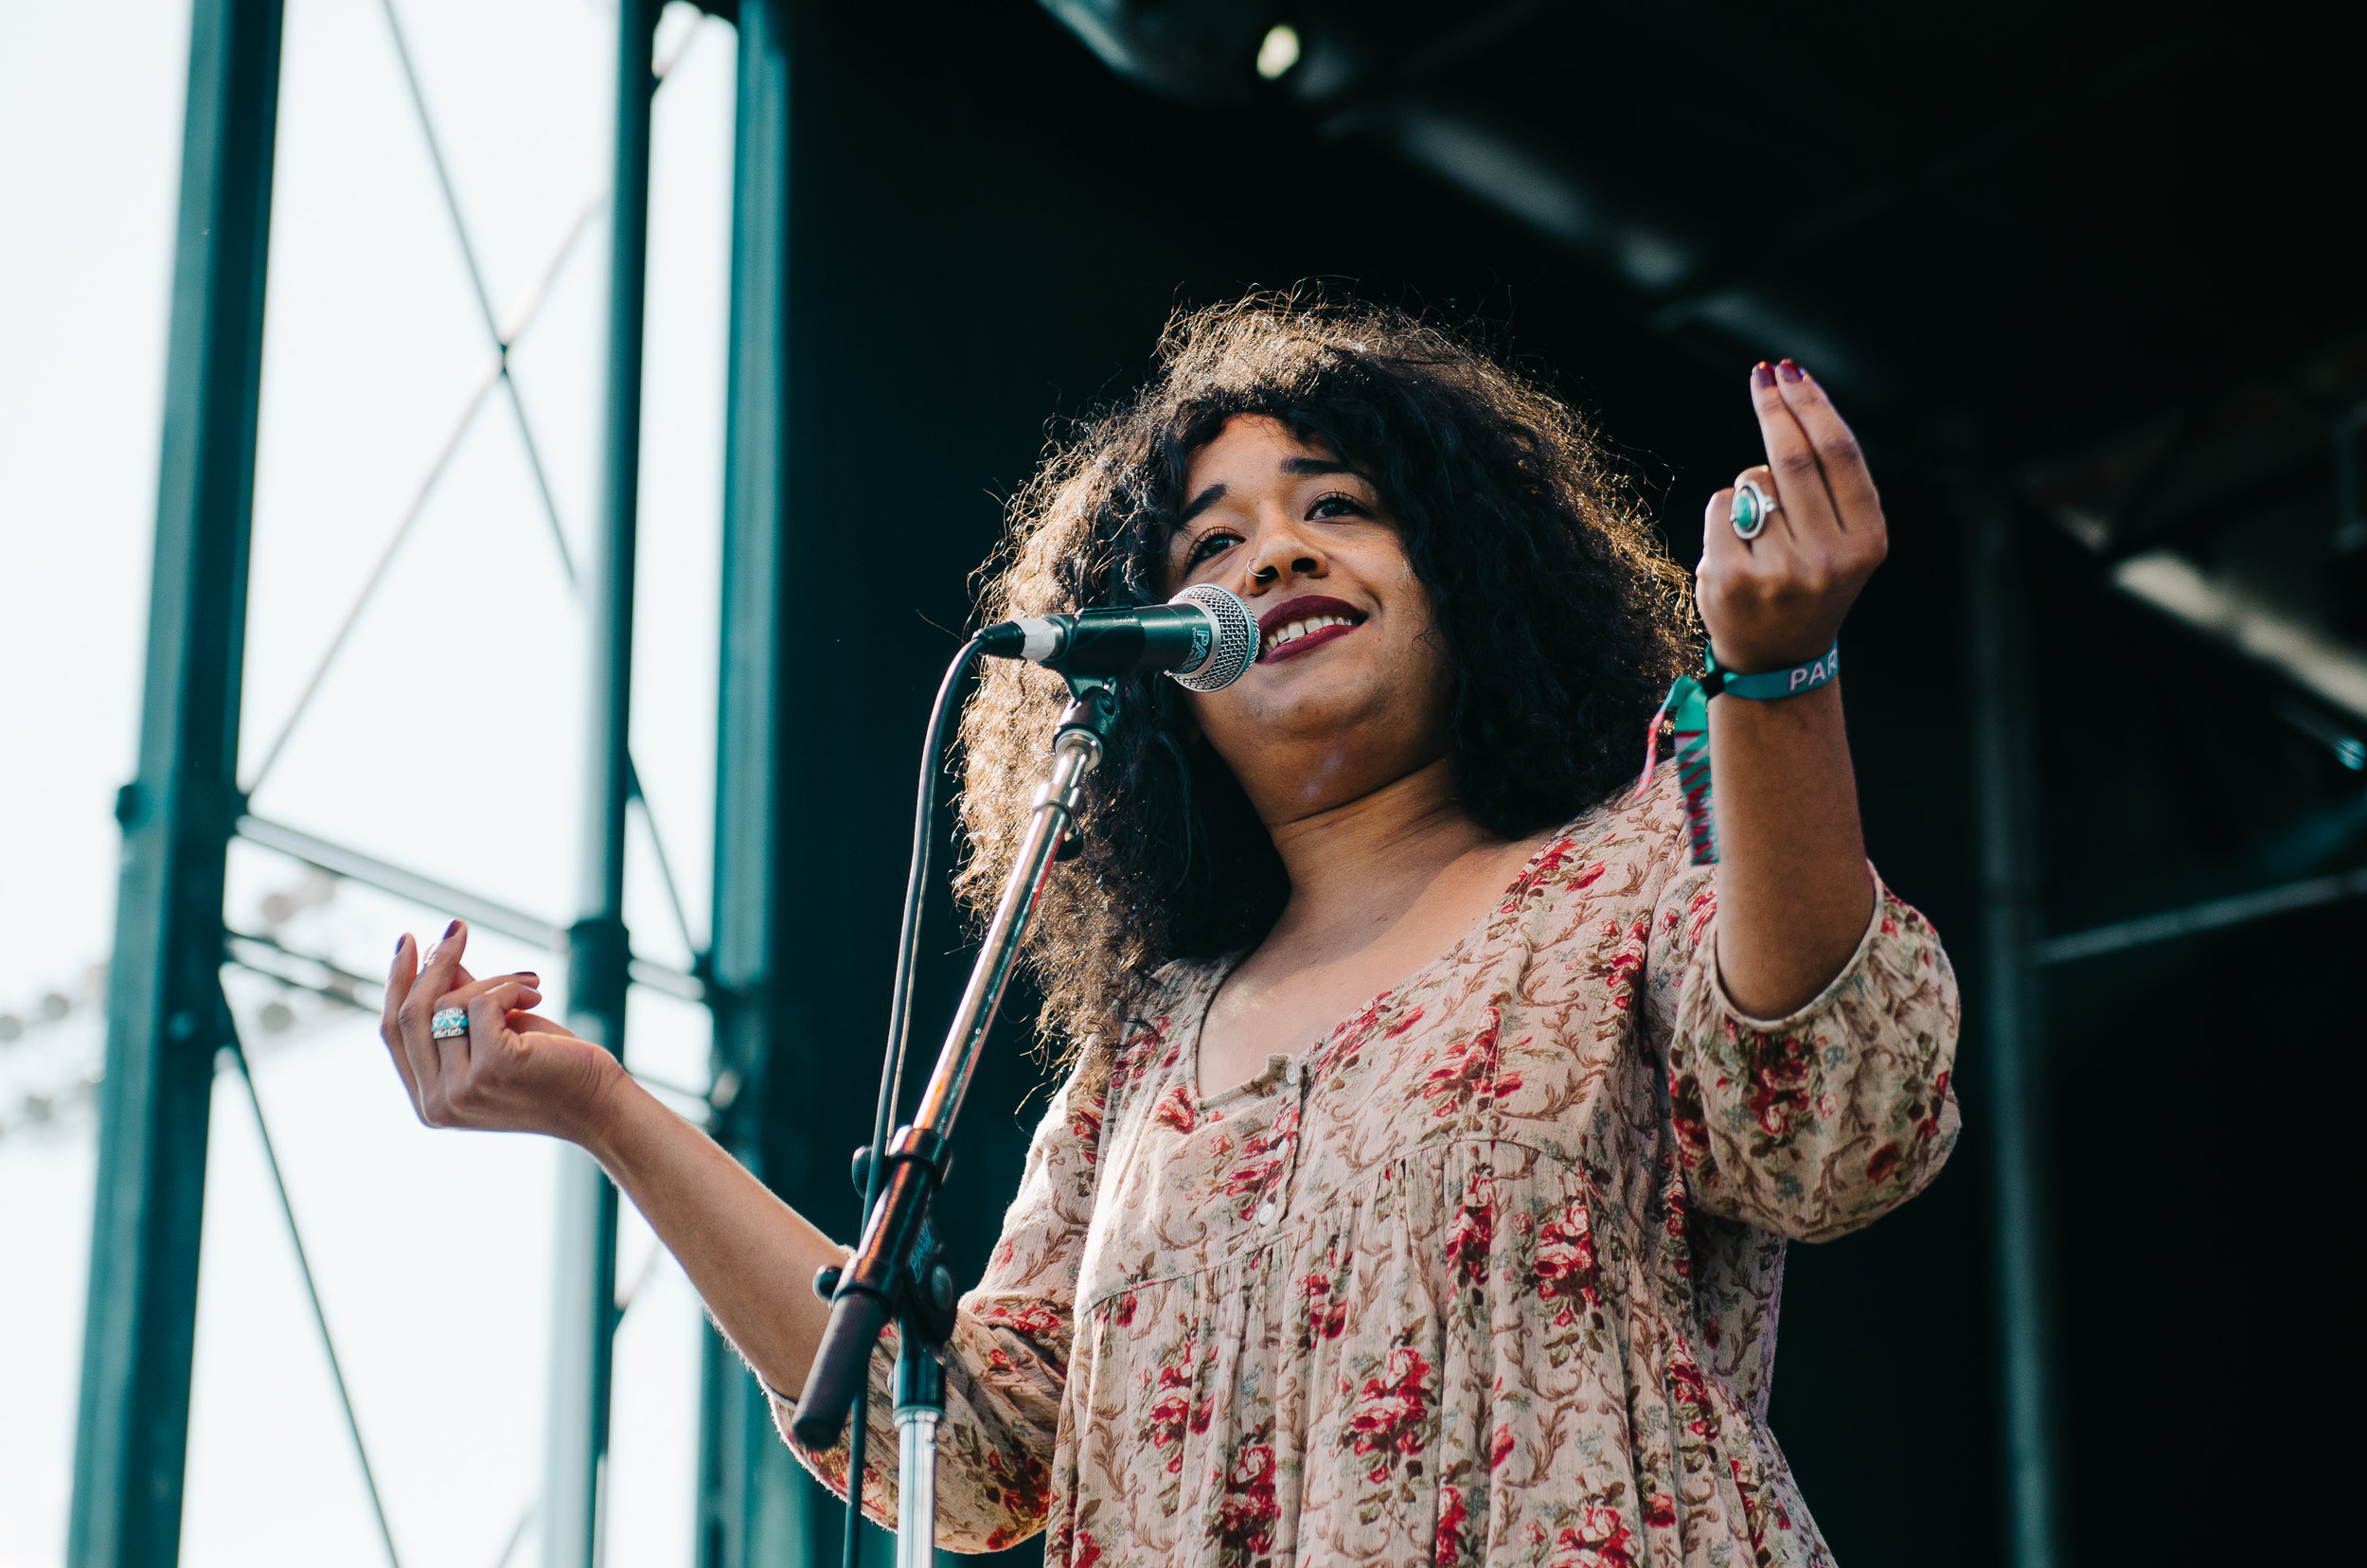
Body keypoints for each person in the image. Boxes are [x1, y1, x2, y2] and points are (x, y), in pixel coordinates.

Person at [381, 297, 1958, 1566]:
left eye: (1340, 508)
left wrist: (1781, 679)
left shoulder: (1635, 861)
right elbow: (974, 1450)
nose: (1275, 554)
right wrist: (605, 1111)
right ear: (1154, 687)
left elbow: (1837, 1130)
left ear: (1473, 577)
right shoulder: (1153, 1041)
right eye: (1209, 548)